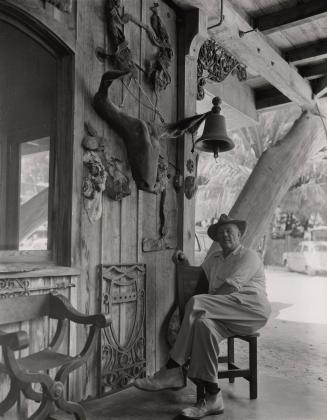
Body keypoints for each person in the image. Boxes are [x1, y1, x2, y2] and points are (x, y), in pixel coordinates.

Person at [134, 214, 271, 419]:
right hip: (225, 313)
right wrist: (184, 262)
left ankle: (173, 368)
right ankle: (213, 398)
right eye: (220, 232)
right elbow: (199, 280)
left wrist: (201, 304)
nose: (225, 235)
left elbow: (227, 289)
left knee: (197, 303)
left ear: (239, 234)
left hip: (251, 309)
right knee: (203, 326)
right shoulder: (214, 259)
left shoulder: (248, 256)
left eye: (230, 231)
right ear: (215, 237)